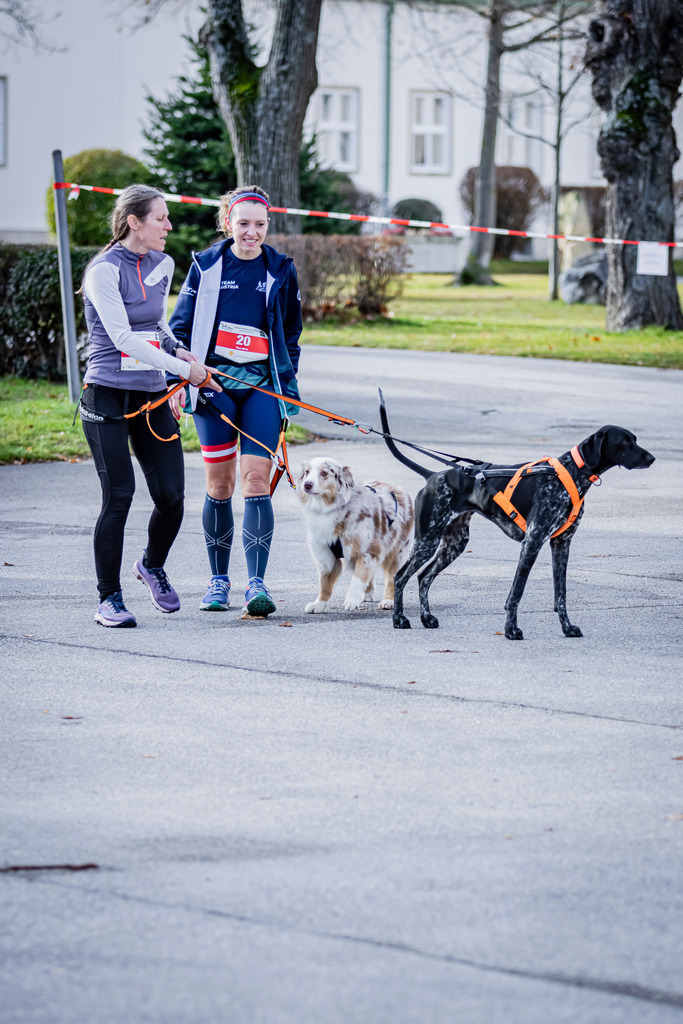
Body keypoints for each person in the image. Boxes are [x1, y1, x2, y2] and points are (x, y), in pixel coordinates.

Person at [80, 184, 215, 628]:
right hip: (107, 396)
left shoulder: (163, 263)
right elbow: (123, 337)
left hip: (152, 395)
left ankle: (151, 565)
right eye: (161, 218)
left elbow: (156, 325)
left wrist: (180, 352)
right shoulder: (103, 271)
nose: (169, 226)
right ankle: (109, 598)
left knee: (172, 497)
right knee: (119, 496)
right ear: (134, 222)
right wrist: (181, 372)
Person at [168, 185, 302, 617]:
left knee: (257, 482)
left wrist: (286, 383)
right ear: (227, 222)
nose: (251, 233)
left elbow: (292, 334)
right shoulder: (206, 267)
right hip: (213, 389)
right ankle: (218, 582)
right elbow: (179, 331)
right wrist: (181, 379)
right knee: (220, 485)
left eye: (259, 225)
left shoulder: (280, 268)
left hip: (263, 388)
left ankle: (256, 584)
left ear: (267, 225)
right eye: (243, 223)